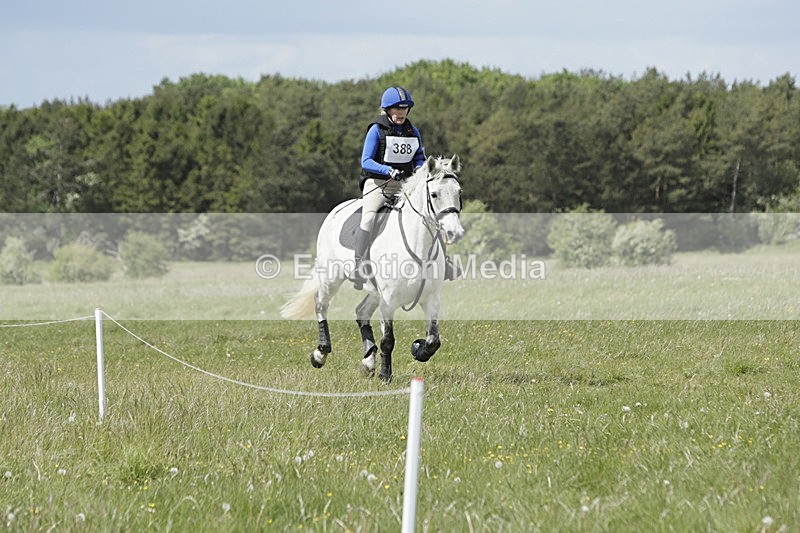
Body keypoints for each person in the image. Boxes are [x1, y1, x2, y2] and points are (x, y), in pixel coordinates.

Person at [352, 86, 426, 289]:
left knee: (426, 214)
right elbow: (366, 161)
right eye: (397, 108)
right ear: (387, 110)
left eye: (404, 108)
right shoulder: (376, 130)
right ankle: (358, 266)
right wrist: (389, 171)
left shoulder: (413, 131)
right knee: (368, 217)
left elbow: (419, 156)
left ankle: (442, 263)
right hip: (378, 184)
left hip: (404, 184)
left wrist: (419, 168)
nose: (401, 113)